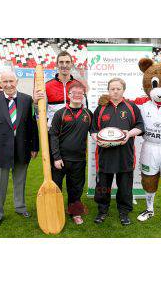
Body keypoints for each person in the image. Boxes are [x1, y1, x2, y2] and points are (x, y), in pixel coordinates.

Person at [0, 71, 39, 228]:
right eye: (4, 81)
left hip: (22, 149)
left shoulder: (27, 100)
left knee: (20, 182)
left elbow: (31, 126)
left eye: (11, 81)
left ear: (17, 81)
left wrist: (34, 147)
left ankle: (20, 207)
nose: (8, 84)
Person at [91, 78, 144, 226]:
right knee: (103, 186)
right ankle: (102, 210)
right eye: (112, 88)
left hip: (125, 155)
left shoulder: (131, 107)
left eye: (118, 88)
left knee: (125, 186)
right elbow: (93, 129)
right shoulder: (101, 108)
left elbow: (140, 126)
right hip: (105, 155)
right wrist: (99, 139)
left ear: (123, 90)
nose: (115, 91)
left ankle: (124, 212)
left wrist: (128, 134)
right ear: (108, 90)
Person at [48, 82, 92, 225]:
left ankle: (75, 213)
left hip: (79, 159)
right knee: (56, 187)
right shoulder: (60, 113)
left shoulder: (88, 114)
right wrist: (56, 157)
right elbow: (53, 135)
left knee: (76, 188)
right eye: (75, 93)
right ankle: (55, 211)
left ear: (83, 95)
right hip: (60, 160)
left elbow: (95, 132)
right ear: (69, 95)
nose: (78, 96)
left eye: (81, 93)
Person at [33, 51, 88, 127]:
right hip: (54, 132)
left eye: (67, 62)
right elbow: (40, 113)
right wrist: (36, 104)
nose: (64, 65)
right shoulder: (47, 86)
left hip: (74, 132)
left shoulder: (79, 85)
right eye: (61, 62)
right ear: (57, 64)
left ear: (71, 64)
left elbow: (85, 110)